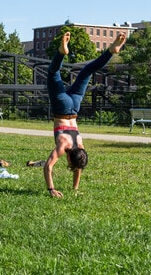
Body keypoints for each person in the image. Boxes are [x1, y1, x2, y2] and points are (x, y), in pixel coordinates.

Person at [44, 31, 127, 198]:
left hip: (74, 107)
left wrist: (75, 189)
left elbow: (79, 165)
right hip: (62, 108)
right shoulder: (64, 147)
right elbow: (48, 167)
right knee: (53, 73)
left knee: (88, 70)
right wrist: (51, 189)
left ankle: (110, 51)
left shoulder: (81, 148)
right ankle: (61, 52)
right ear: (69, 159)